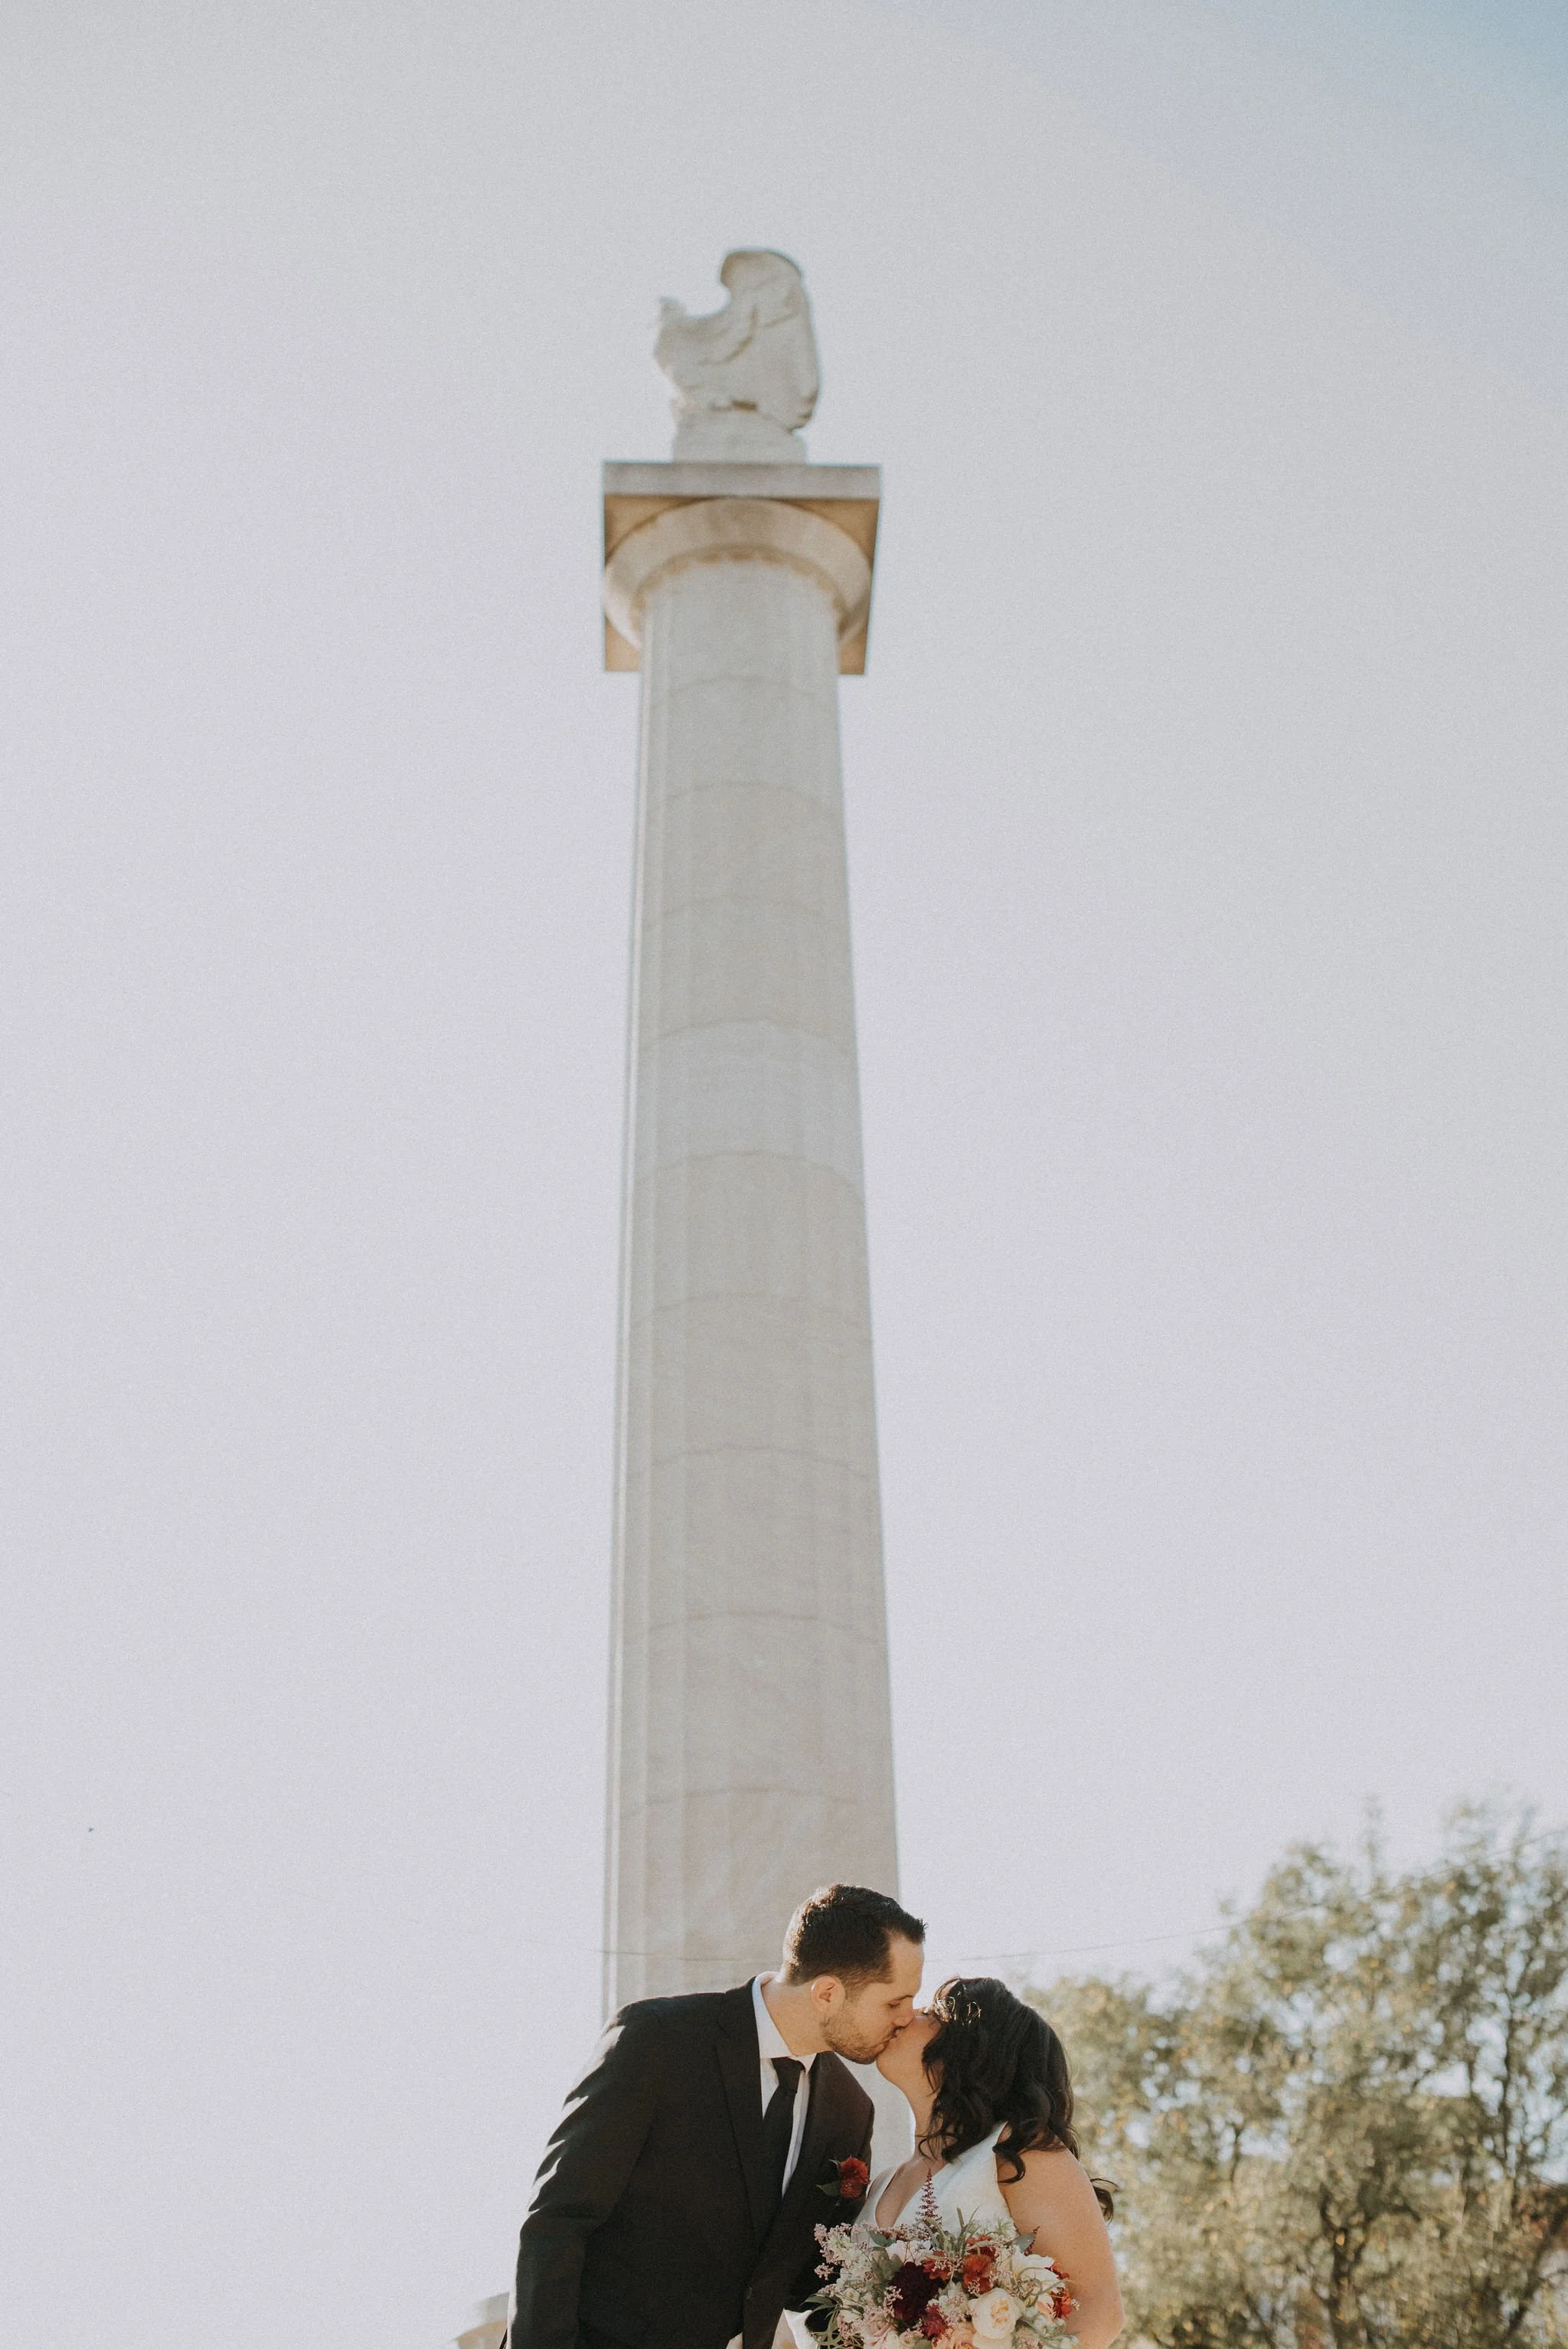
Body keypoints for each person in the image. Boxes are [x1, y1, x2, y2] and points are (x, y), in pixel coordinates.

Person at [509, 1883, 926, 2349]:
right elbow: (558, 2220)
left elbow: (811, 2281)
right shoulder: (658, 2041)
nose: (908, 2017)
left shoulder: (851, 2112)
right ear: (827, 1993)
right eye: (894, 2001)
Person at [867, 1976, 1124, 2349]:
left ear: (972, 2047)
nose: (908, 2015)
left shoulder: (1017, 2152)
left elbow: (1099, 2313)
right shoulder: (880, 2184)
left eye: (932, 2014)